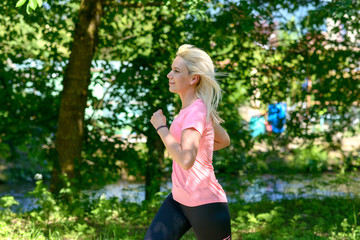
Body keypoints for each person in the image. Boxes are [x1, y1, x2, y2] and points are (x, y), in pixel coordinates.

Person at [144, 44, 231, 240]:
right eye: (171, 69)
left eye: (176, 71)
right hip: (178, 200)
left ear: (193, 78)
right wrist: (202, 151)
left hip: (206, 204)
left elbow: (185, 160)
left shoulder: (196, 112)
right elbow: (224, 140)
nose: (169, 75)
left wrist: (161, 128)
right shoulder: (198, 108)